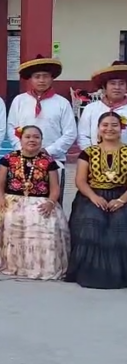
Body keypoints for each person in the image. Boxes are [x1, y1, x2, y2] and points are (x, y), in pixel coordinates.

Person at [0, 125, 68, 280]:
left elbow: (54, 188)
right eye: (28, 137)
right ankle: (11, 264)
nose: (32, 140)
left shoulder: (48, 161)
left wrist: (51, 203)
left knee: (44, 220)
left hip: (41, 200)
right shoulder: (9, 159)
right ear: (20, 139)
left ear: (41, 140)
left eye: (36, 137)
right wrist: (0, 198)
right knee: (8, 217)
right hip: (12, 198)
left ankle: (39, 265)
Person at [66, 112, 127, 289]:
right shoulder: (88, 153)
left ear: (121, 128)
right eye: (105, 125)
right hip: (91, 195)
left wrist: (121, 200)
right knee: (92, 223)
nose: (109, 129)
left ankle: (119, 274)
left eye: (114, 125)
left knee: (119, 225)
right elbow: (80, 181)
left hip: (122, 196)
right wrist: (94, 197)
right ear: (98, 129)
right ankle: (89, 273)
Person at [7, 55, 76, 201]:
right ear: (30, 79)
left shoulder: (62, 103)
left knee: (52, 202)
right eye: (37, 76)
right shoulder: (19, 101)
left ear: (52, 78)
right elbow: (11, 127)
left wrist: (47, 151)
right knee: (22, 200)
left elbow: (70, 133)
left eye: (45, 76)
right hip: (22, 159)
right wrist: (22, 150)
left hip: (53, 160)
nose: (41, 80)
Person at [77, 61, 127, 149]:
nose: (117, 87)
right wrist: (93, 155)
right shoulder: (91, 109)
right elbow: (83, 136)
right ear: (104, 87)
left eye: (121, 83)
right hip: (95, 159)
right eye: (112, 83)